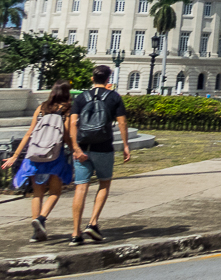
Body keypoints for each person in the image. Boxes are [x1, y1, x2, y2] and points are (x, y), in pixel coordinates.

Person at [3, 80, 75, 242]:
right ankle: (41, 219)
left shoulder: (41, 108)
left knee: (38, 193)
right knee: (55, 192)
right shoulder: (66, 110)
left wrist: (15, 156)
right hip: (55, 156)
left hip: (35, 155)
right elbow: (66, 134)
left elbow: (29, 133)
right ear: (67, 93)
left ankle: (36, 233)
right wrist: (74, 149)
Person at [70, 64, 130, 246]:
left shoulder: (81, 97)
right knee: (104, 183)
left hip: (82, 147)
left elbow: (73, 123)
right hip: (103, 147)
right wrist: (126, 145)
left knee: (81, 188)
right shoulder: (114, 97)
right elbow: (122, 123)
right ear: (108, 80)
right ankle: (93, 222)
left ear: (92, 79)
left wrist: (75, 148)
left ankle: (75, 233)